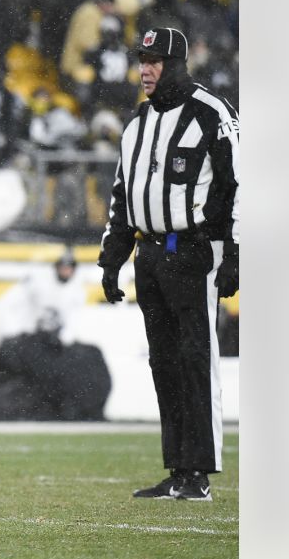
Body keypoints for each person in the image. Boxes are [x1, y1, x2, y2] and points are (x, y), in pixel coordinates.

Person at [98, 27, 239, 502]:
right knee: (164, 363)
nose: (145, 69)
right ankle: (179, 468)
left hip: (194, 250)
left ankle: (199, 472)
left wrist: (234, 253)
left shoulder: (212, 113)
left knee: (196, 359)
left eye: (155, 60)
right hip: (150, 253)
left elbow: (240, 185)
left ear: (177, 64)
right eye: (142, 59)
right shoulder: (137, 120)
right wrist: (111, 260)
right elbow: (123, 196)